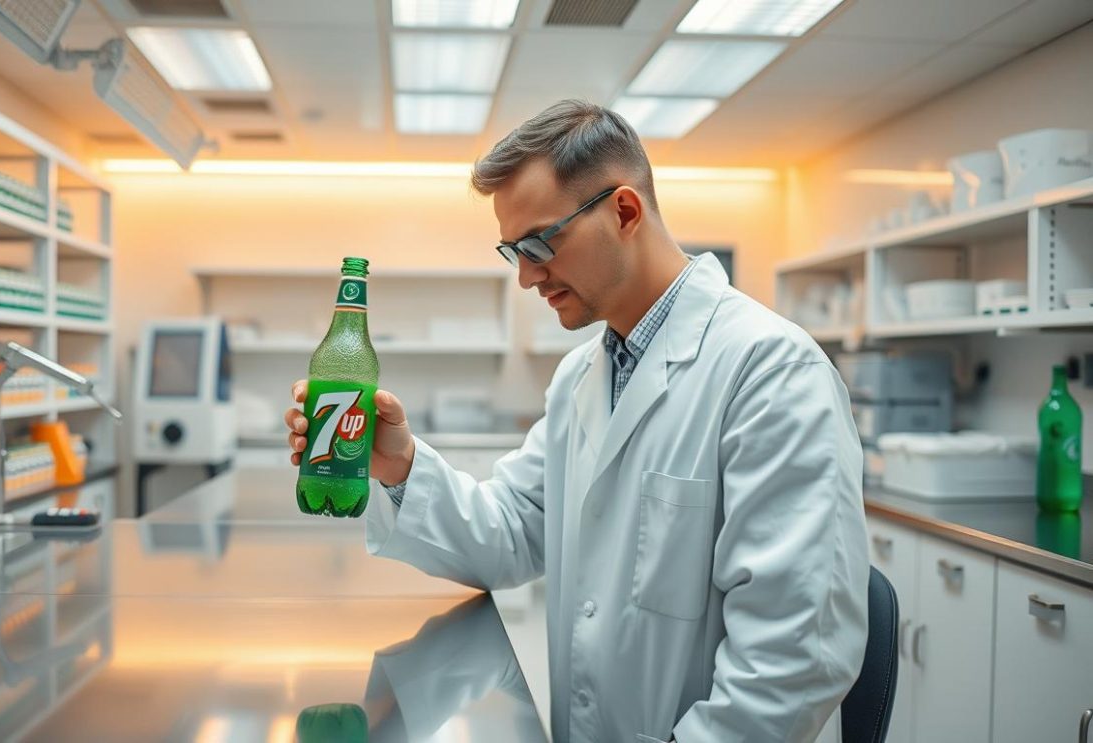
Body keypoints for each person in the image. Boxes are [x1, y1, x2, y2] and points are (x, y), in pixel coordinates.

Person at [285, 99, 869, 742]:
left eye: (540, 244)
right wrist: (396, 463)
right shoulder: (581, 378)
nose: (529, 277)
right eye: (514, 251)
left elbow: (790, 665)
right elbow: (510, 534)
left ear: (624, 212)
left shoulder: (770, 373)